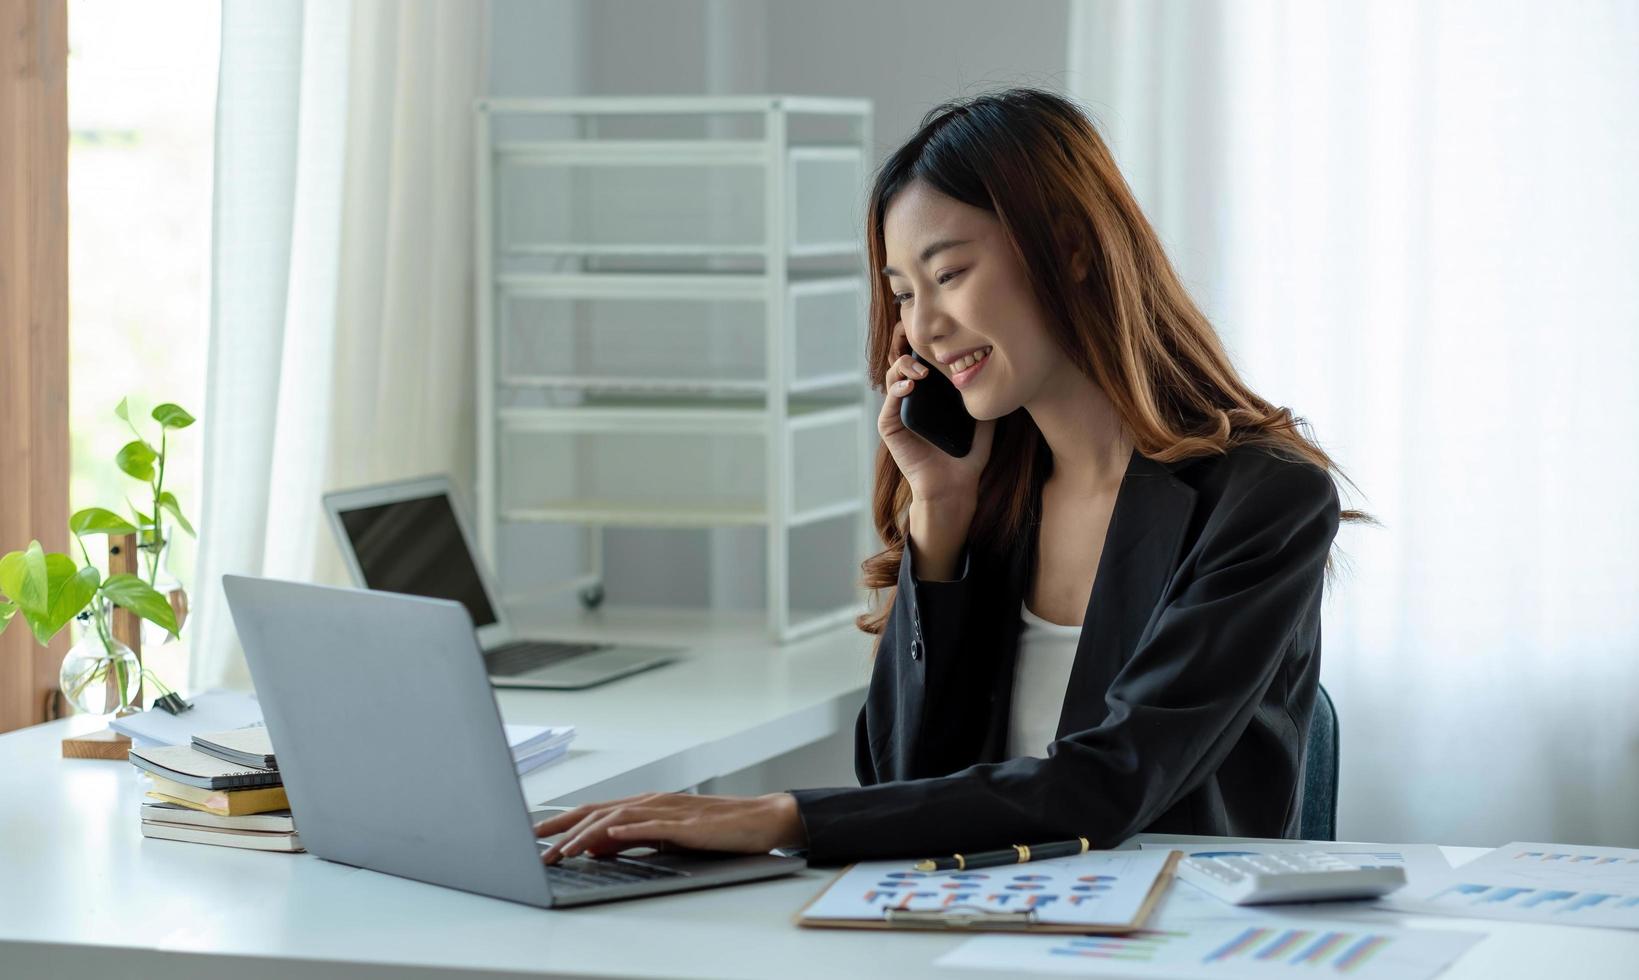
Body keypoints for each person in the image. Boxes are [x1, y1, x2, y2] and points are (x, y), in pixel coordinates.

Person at [534, 87, 1366, 865]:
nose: (923, 327)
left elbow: (1117, 780)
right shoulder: (989, 498)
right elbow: (899, 777)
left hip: (1163, 936)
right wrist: (938, 518)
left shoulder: (1263, 499)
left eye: (949, 274)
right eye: (901, 292)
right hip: (967, 923)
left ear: (1070, 251)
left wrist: (785, 815)